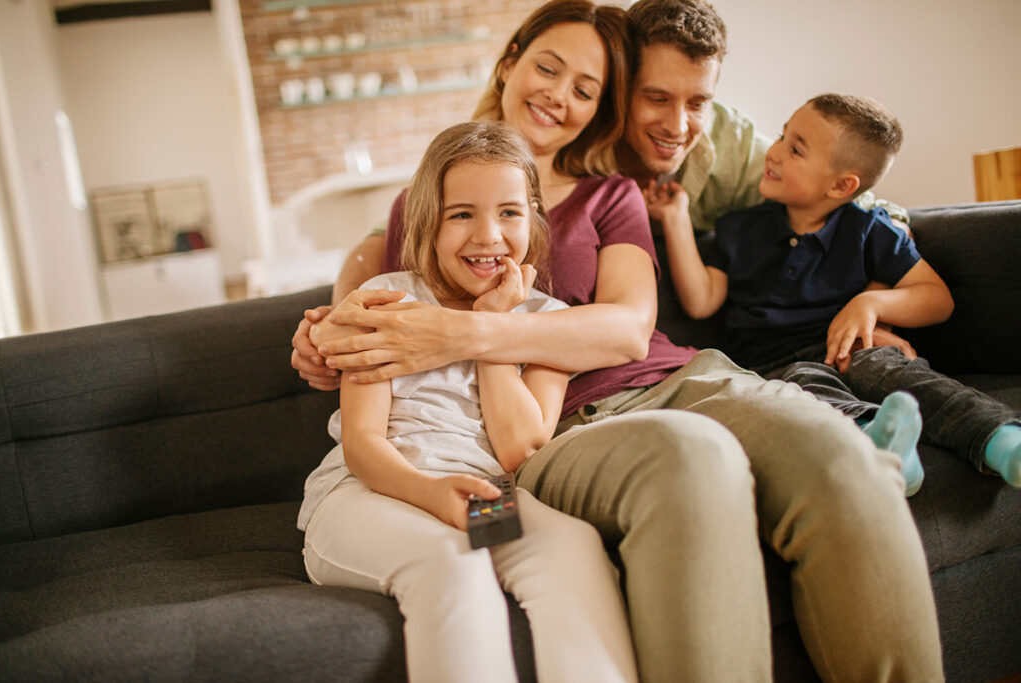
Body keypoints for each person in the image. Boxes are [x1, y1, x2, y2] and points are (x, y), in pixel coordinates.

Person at [293, 1, 945, 680]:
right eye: (547, 68)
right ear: (510, 61)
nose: (558, 95)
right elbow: (377, 281)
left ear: (601, 108)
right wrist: (329, 335)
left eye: (587, 89)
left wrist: (478, 328)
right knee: (692, 459)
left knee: (834, 448)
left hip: (677, 377)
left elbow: (632, 327)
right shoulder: (426, 198)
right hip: (561, 427)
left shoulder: (611, 194)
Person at [298, 121, 639, 683]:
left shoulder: (548, 325)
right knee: (452, 563)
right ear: (428, 221)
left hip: (475, 496)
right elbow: (362, 444)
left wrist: (493, 330)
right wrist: (431, 493)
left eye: (509, 212)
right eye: (462, 214)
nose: (489, 236)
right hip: (370, 495)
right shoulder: (385, 301)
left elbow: (518, 446)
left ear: (532, 217)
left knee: (571, 549)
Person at [648, 92, 1021, 493]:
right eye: (781, 137)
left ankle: (1002, 441)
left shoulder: (866, 229)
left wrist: (871, 302)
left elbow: (937, 299)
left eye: (795, 150)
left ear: (842, 185)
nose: (773, 153)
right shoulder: (741, 229)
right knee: (803, 387)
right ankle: (884, 451)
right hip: (773, 366)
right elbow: (702, 300)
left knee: (882, 364)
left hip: (846, 346)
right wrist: (676, 217)